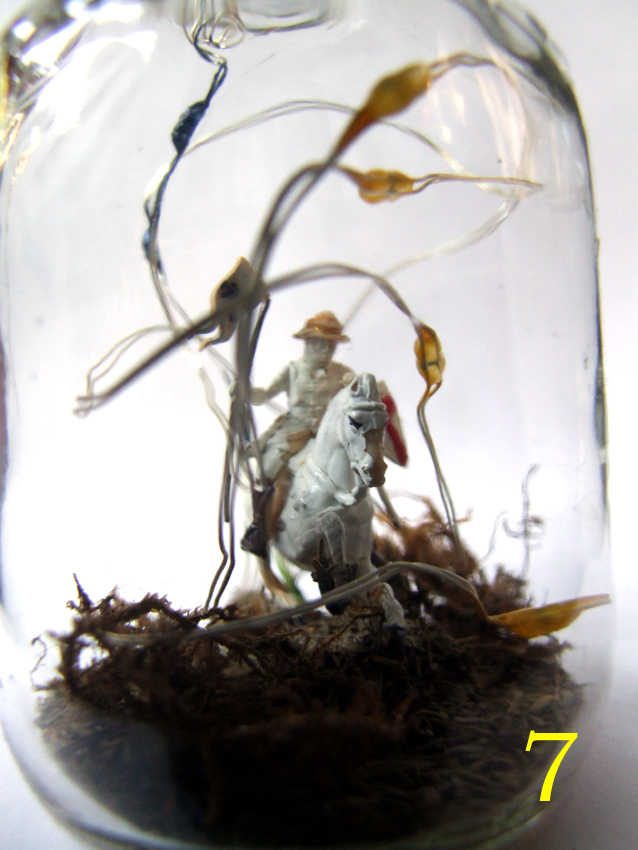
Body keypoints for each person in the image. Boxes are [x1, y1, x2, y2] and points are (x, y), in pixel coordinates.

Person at [241, 311, 354, 556]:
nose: (326, 351)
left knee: (357, 466)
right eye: (321, 344)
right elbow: (264, 395)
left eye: (331, 346)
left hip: (329, 431)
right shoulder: (292, 370)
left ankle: (363, 533)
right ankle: (260, 527)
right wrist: (245, 392)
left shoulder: (343, 372)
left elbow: (359, 392)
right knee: (270, 468)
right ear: (308, 342)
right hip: (295, 428)